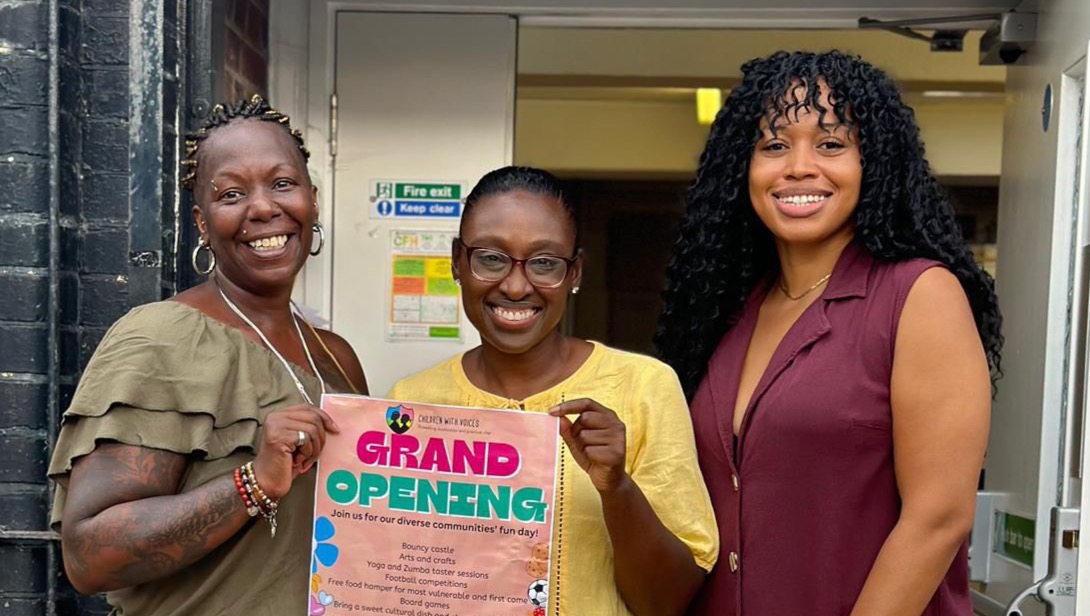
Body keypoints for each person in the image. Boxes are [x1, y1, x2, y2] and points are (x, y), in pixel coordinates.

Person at [656, 51, 1002, 616]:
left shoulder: (919, 295)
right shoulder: (730, 311)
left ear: (874, 162)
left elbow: (938, 519)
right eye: (773, 145)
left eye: (831, 144)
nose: (798, 167)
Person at [48, 94, 367, 615]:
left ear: (312, 199)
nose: (262, 208)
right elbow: (89, 559)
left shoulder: (336, 357)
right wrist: (253, 482)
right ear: (202, 222)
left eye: (282, 183)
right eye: (231, 194)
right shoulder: (162, 338)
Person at [387, 166, 718, 616]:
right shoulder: (412, 403)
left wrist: (616, 487)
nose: (516, 286)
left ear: (574, 272)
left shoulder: (643, 387)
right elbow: (394, 575)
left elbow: (666, 602)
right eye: (491, 258)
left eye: (544, 263)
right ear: (457, 262)